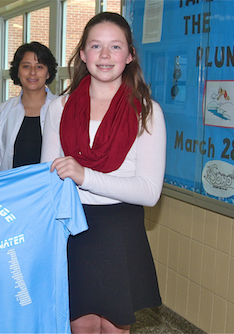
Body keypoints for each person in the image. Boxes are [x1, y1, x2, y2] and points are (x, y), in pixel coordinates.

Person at [41, 12, 166, 334]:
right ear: (83, 53)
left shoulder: (147, 111)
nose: (106, 56)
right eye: (96, 46)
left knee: (113, 327)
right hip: (72, 227)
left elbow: (150, 191)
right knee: (80, 324)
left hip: (119, 230)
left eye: (115, 46)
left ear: (130, 55)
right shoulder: (59, 107)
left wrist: (85, 176)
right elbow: (48, 179)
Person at [0, 41, 58, 172]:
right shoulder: (3, 111)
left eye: (39, 67)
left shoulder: (61, 109)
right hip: (11, 189)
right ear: (18, 72)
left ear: (48, 73)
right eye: (26, 66)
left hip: (49, 189)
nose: (32, 72)